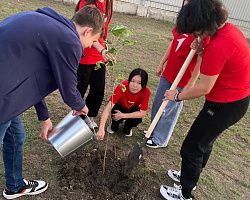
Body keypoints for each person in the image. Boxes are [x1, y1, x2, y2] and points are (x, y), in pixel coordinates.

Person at [0, 6, 104, 199]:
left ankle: (15, 186)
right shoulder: (70, 40)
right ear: (87, 31)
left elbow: (31, 78)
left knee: (16, 135)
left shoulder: (52, 25)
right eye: (93, 41)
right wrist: (82, 107)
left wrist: (45, 117)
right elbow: (69, 90)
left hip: (7, 85)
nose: (90, 46)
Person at [160, 0, 250, 200]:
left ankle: (185, 193)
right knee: (204, 143)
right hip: (232, 101)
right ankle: (190, 176)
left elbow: (203, 87)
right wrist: (201, 48)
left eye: (196, 32)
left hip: (226, 105)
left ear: (205, 23)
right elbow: (215, 62)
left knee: (192, 147)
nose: (195, 36)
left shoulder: (221, 44)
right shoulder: (225, 31)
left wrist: (176, 95)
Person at [146, 0, 209, 148]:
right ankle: (152, 130)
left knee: (170, 109)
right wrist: (162, 63)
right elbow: (173, 44)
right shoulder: (182, 25)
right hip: (169, 73)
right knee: (158, 103)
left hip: (182, 79)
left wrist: (191, 84)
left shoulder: (200, 33)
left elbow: (200, 59)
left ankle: (160, 139)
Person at [75, 0, 113, 129]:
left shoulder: (108, 4)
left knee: (98, 88)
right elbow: (87, 32)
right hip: (85, 55)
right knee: (80, 88)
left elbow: (102, 32)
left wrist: (106, 49)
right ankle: (77, 118)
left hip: (100, 57)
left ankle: (90, 116)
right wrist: (102, 49)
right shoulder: (86, 3)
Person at [96, 68, 151, 140]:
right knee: (114, 126)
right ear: (129, 80)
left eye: (139, 83)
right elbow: (107, 109)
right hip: (120, 107)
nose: (134, 85)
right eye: (133, 81)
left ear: (144, 84)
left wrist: (122, 115)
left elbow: (142, 113)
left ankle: (128, 126)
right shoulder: (122, 86)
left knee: (134, 123)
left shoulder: (146, 92)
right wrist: (101, 129)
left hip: (132, 109)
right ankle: (114, 125)